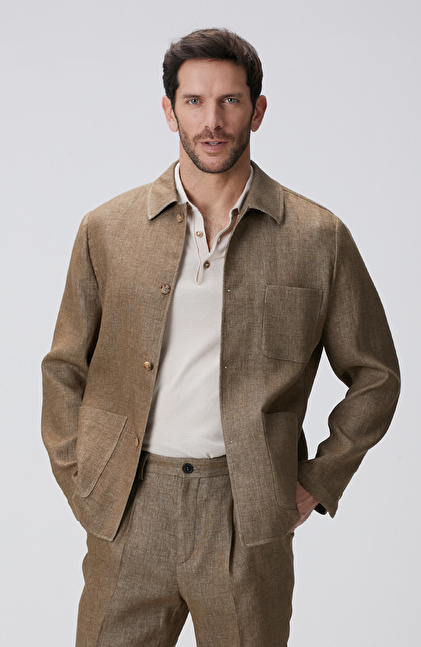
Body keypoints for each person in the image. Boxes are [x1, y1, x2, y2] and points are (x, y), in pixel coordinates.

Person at [41, 27, 400, 647]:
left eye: (230, 100)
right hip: (129, 507)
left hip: (247, 513)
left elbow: (376, 376)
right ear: (169, 110)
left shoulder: (316, 237)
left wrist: (317, 481)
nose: (212, 121)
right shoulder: (108, 229)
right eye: (194, 101)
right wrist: (84, 479)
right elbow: (64, 369)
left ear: (257, 111)